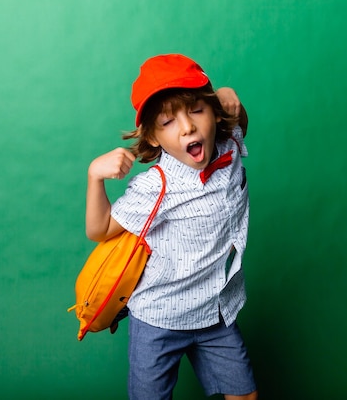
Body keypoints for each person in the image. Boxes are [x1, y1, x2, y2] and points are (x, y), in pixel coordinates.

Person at [85, 54, 257, 400]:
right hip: (160, 316)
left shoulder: (228, 147)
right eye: (167, 121)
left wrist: (228, 93)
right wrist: (95, 176)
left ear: (213, 113)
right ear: (151, 137)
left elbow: (240, 120)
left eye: (196, 110)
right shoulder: (156, 186)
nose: (187, 127)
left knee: (244, 395)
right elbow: (99, 229)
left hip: (214, 311)